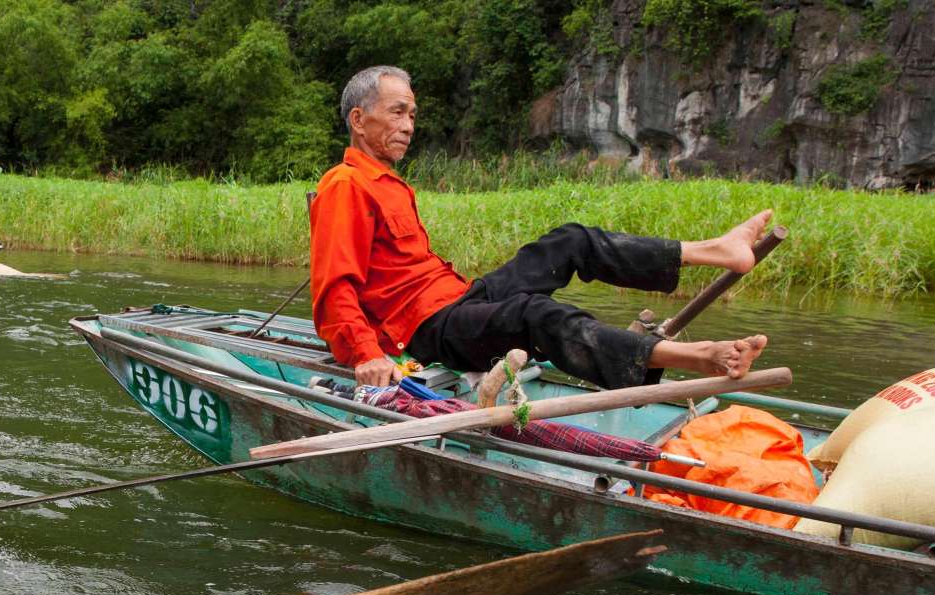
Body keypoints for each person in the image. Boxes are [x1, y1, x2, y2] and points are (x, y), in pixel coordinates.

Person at [311, 66, 769, 390]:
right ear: (358, 120)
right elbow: (334, 289)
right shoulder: (345, 185)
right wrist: (367, 354)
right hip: (424, 330)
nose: (409, 125)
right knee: (532, 314)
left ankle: (717, 250)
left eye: (412, 114)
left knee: (570, 240)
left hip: (457, 299)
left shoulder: (388, 183)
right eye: (397, 112)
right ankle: (698, 356)